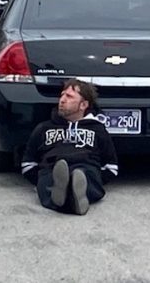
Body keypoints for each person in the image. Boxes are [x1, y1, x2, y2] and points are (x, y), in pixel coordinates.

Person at [21, 79, 118, 215]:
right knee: (48, 180)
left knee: (86, 178)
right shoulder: (44, 128)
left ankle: (74, 194)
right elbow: (28, 163)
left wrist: (98, 178)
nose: (62, 100)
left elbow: (111, 166)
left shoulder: (97, 129)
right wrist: (39, 180)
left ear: (83, 105)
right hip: (52, 168)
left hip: (86, 167)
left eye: (69, 96)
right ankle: (68, 197)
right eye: (62, 95)